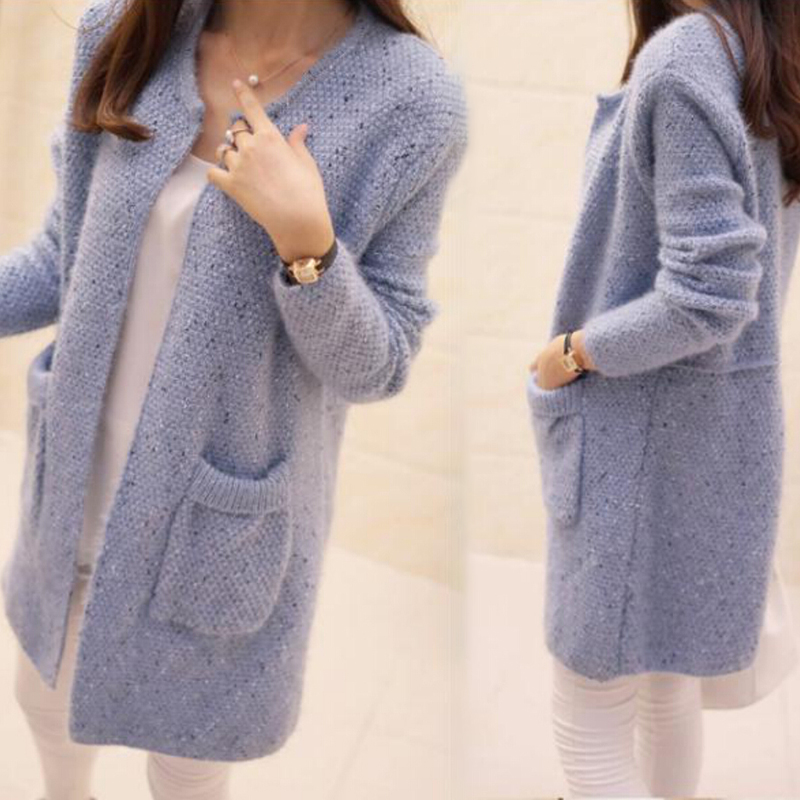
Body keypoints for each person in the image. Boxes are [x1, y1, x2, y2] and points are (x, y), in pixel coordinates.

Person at [0, 0, 468, 798]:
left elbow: (379, 365)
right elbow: (61, 257)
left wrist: (308, 246)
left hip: (216, 522)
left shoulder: (413, 101)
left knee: (187, 762)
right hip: (78, 483)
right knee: (45, 702)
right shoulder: (126, 29)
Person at [526, 0, 800, 795]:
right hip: (718, 435)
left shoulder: (685, 61)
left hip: (636, 436)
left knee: (589, 714)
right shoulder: (768, 63)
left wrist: (573, 353)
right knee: (667, 682)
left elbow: (709, 294)